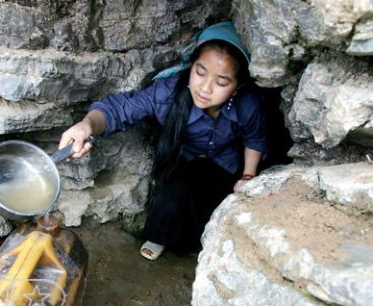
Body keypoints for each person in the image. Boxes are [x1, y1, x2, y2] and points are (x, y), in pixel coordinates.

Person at [58, 21, 267, 260]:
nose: (205, 88)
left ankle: (202, 246)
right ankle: (159, 237)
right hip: (183, 157)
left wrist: (247, 176)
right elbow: (120, 109)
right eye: (200, 72)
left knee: (217, 206)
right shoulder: (167, 92)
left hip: (224, 162)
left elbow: (255, 138)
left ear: (237, 87)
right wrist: (86, 125)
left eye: (221, 82)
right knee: (171, 194)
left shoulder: (248, 104)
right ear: (190, 66)